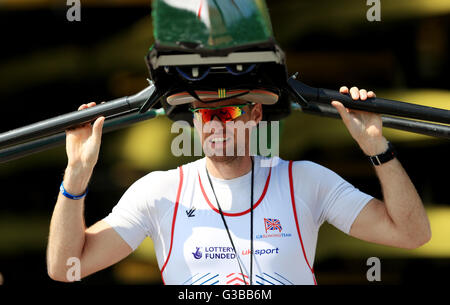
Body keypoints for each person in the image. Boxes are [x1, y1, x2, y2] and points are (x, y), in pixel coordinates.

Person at [46, 85, 431, 285]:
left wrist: (376, 147)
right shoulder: (159, 191)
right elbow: (66, 267)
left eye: (227, 111)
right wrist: (77, 173)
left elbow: (412, 234)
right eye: (203, 112)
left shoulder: (304, 181)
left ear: (255, 113)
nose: (214, 123)